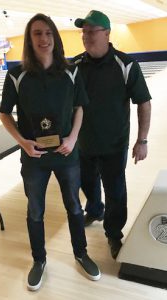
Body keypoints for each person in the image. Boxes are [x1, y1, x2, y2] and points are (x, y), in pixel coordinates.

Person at [0, 13, 101, 291]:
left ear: (55, 37)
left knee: (74, 207)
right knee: (35, 211)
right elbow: (4, 114)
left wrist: (72, 137)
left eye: (48, 33)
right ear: (29, 39)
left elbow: (80, 107)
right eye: (37, 33)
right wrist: (22, 141)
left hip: (67, 154)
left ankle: (81, 253)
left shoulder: (71, 71)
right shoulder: (16, 75)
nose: (43, 39)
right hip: (34, 158)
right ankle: (39, 260)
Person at [73, 10, 151, 259]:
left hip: (114, 144)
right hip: (82, 143)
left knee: (115, 192)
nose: (86, 36)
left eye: (91, 31)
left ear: (106, 33)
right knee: (86, 183)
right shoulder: (74, 65)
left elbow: (144, 102)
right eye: (83, 32)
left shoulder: (126, 64)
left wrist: (142, 140)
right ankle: (95, 209)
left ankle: (114, 234)